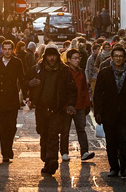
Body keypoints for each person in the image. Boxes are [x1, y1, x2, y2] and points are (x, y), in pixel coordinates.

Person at [26, 44, 77, 176]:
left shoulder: (64, 71)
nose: (52, 58)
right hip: (41, 108)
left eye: (54, 55)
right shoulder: (38, 69)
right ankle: (46, 160)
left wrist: (71, 104)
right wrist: (29, 84)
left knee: (53, 135)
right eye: (49, 55)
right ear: (45, 56)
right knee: (43, 134)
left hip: (57, 109)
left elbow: (71, 90)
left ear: (58, 56)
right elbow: (25, 80)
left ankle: (52, 159)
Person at [94, 46, 126, 177]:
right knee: (111, 142)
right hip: (109, 113)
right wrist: (98, 112)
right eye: (116, 56)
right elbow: (98, 94)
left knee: (125, 140)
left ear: (124, 58)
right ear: (111, 58)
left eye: (121, 56)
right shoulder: (104, 73)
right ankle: (114, 167)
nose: (118, 58)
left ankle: (125, 166)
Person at [0, 40, 26, 162]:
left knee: (11, 126)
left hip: (12, 98)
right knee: (2, 127)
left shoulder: (17, 62)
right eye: (5, 49)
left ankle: (8, 147)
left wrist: (26, 97)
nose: (7, 51)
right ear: (2, 50)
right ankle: (5, 152)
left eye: (9, 49)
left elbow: (22, 79)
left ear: (13, 50)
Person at [61, 49, 95, 161]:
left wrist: (87, 103)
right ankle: (64, 152)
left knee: (81, 129)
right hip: (67, 107)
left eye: (78, 58)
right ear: (69, 60)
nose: (77, 60)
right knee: (65, 131)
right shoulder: (65, 72)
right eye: (74, 58)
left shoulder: (81, 73)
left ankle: (84, 152)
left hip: (80, 106)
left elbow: (85, 89)